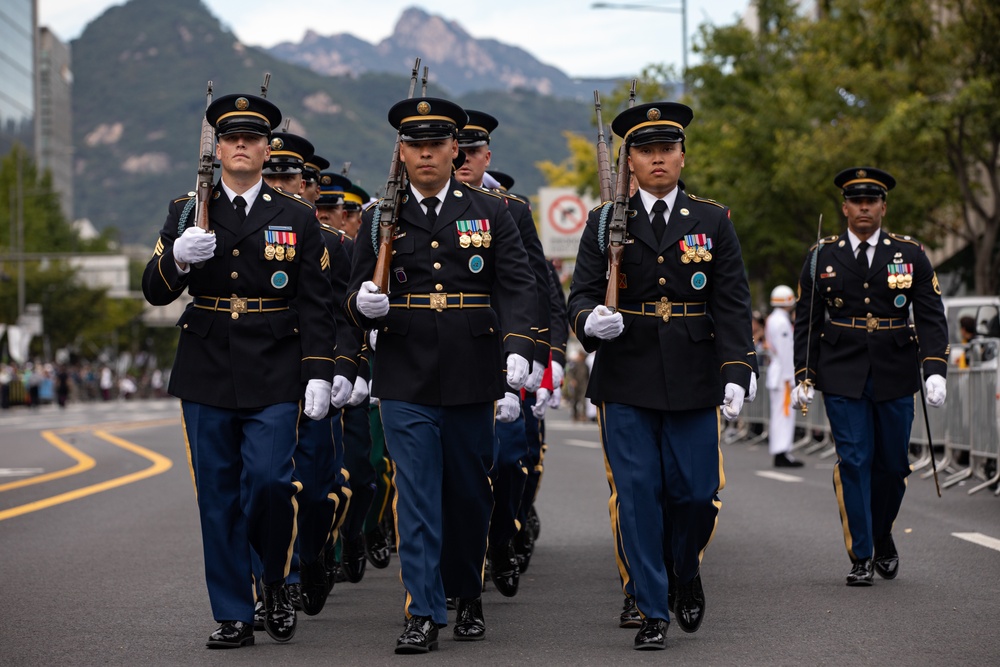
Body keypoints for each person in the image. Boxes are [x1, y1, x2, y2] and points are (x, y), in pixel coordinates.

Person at [142, 92, 336, 648]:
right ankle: (232, 611)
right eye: (231, 138)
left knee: (273, 483)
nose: (242, 146)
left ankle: (273, 578)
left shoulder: (295, 215)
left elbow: (316, 301)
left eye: (252, 138)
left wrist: (319, 370)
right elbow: (154, 291)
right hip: (205, 363)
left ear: (266, 147)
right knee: (218, 495)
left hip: (275, 363)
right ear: (218, 149)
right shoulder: (187, 210)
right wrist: (178, 257)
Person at [346, 95, 536, 653]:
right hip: (404, 371)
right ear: (400, 151)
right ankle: (423, 611)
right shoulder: (381, 216)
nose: (426, 154)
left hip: (472, 368)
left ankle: (466, 592)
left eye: (436, 144)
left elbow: (519, 285)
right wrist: (364, 306)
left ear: (456, 148)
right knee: (418, 492)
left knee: (469, 492)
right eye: (415, 145)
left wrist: (520, 346)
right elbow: (350, 296)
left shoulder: (491, 210)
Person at [568, 100, 754, 650]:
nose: (656, 159)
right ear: (629, 161)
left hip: (694, 372)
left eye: (665, 149)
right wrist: (589, 320)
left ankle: (684, 569)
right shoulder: (605, 221)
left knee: (696, 493)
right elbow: (578, 293)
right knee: (638, 494)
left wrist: (736, 370)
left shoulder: (712, 219)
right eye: (644, 151)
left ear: (681, 155)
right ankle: (652, 606)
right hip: (626, 373)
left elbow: (732, 301)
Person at [792, 166, 949, 586]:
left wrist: (935, 368)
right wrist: (803, 374)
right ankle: (861, 554)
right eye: (856, 200)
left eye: (872, 200)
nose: (864, 207)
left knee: (893, 466)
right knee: (856, 460)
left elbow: (931, 316)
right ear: (844, 207)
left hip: (896, 369)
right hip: (842, 370)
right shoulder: (822, 255)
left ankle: (882, 533)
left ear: (883, 207)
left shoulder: (910, 254)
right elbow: (806, 320)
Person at [454, 108, 552, 597]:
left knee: (511, 460)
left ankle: (503, 539)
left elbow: (534, 287)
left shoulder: (509, 209)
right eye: (460, 149)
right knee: (459, 469)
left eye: (473, 151)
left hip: (506, 352)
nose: (464, 159)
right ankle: (462, 565)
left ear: (485, 155)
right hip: (453, 352)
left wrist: (538, 361)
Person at [765, 285, 803, 467]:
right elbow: (786, 351)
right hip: (783, 375)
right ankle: (782, 451)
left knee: (780, 414)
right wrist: (792, 377)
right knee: (784, 414)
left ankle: (782, 450)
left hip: (778, 372)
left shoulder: (774, 319)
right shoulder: (781, 322)